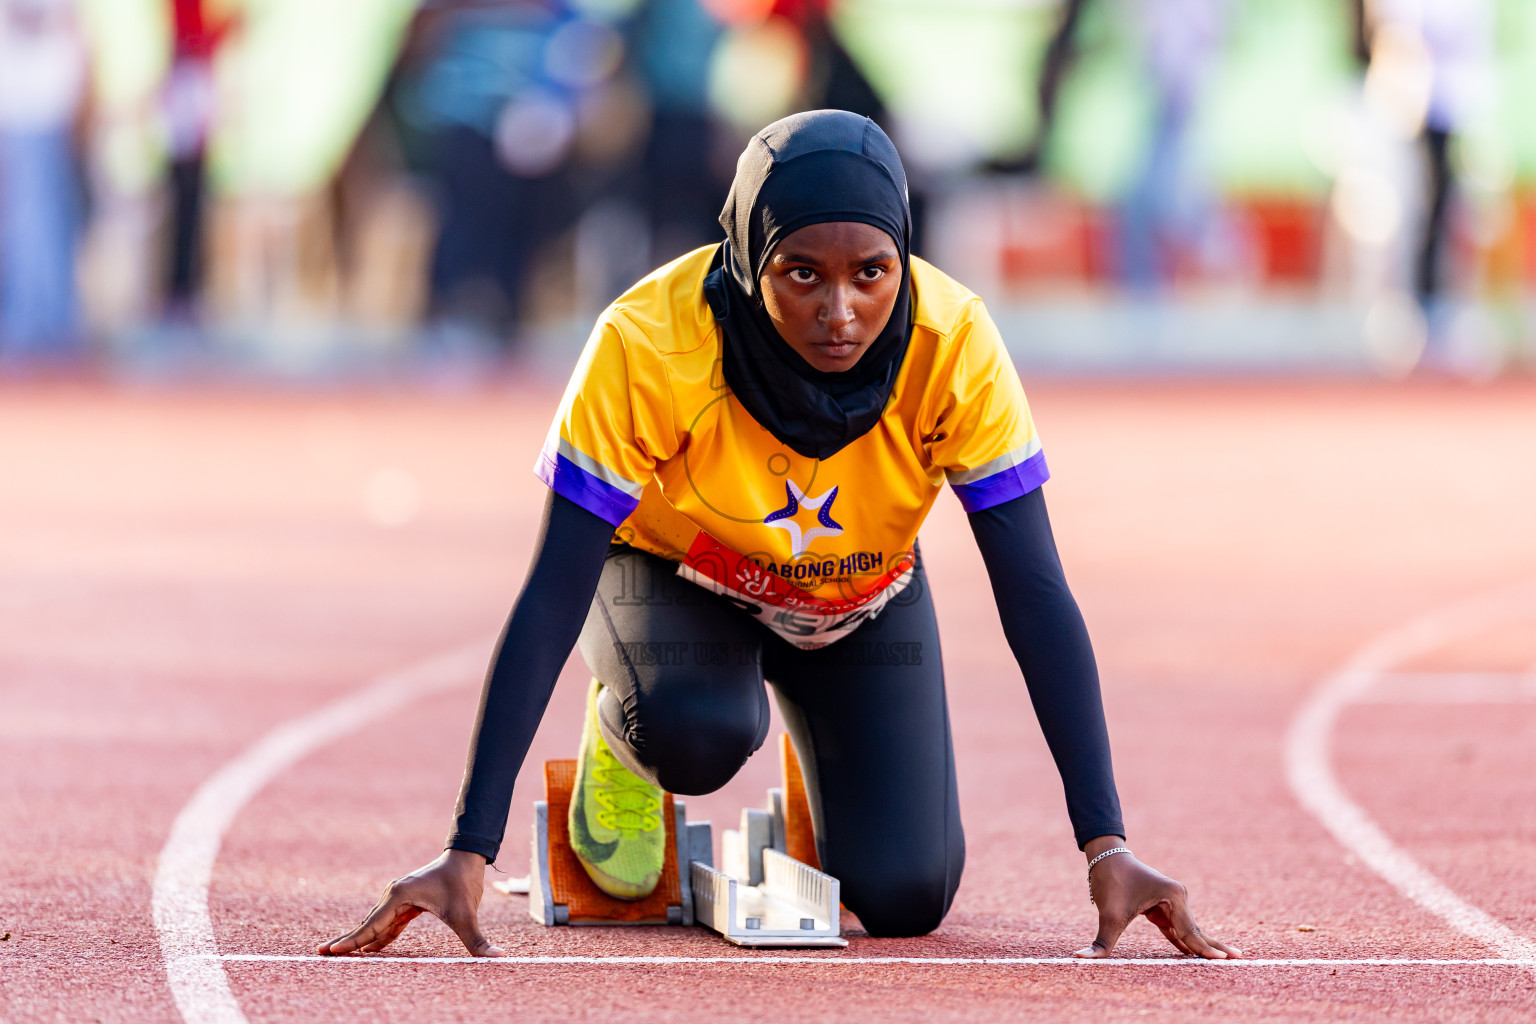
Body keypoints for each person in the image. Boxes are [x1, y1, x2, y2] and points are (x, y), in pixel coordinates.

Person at [320, 110, 1239, 960]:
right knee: (699, 733)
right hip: (674, 576)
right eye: (802, 274)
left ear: (903, 255)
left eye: (871, 273)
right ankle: (621, 741)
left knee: (907, 897)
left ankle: (824, 773)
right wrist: (468, 846)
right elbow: (554, 587)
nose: (840, 312)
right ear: (747, 256)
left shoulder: (955, 342)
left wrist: (1106, 843)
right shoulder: (647, 341)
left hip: (857, 595)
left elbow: (1033, 591)